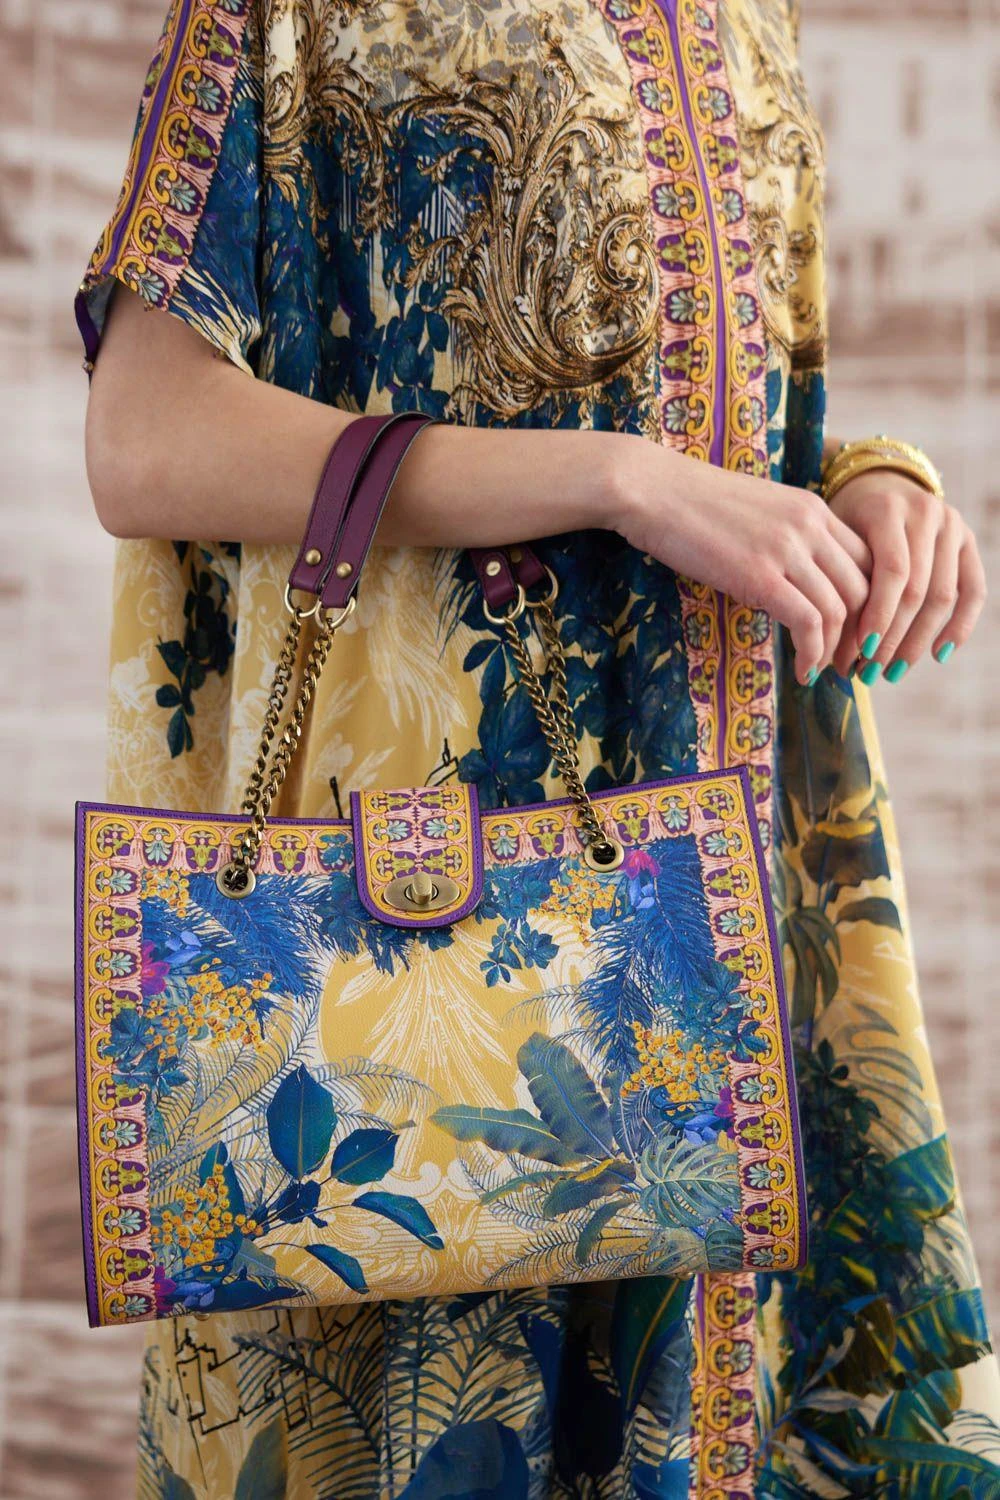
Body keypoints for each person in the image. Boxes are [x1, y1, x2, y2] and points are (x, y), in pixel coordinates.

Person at [75, 1, 999, 1495]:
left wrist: (866, 486)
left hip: (726, 903)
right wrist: (619, 481)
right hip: (424, 912)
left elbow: (706, 418)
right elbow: (148, 438)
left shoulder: (746, 15)